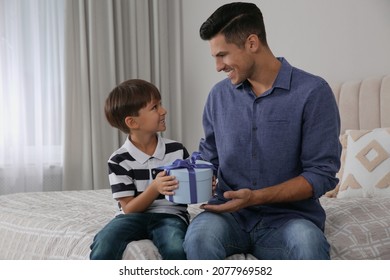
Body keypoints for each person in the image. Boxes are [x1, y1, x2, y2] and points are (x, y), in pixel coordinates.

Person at [183, 2, 342, 260]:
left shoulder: (313, 93)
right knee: (198, 238)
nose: (218, 66)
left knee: (308, 244)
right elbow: (209, 158)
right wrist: (185, 177)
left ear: (252, 43)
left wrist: (255, 197)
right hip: (228, 216)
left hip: (290, 218)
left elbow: (321, 174)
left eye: (222, 55)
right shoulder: (218, 97)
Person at [90, 79, 189, 260]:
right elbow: (129, 208)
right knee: (103, 245)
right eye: (155, 107)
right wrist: (154, 188)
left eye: (160, 104)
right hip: (132, 218)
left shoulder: (177, 150)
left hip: (170, 216)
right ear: (132, 122)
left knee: (176, 248)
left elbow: (189, 191)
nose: (163, 111)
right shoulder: (119, 160)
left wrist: (206, 184)